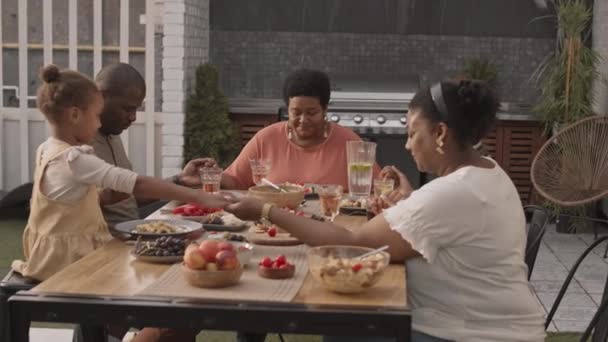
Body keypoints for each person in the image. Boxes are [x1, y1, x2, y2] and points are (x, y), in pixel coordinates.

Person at [226, 80, 546, 342]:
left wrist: (267, 211)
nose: (407, 145)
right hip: (494, 324)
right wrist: (408, 203)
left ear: (441, 134)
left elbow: (355, 246)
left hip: (471, 333)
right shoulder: (487, 170)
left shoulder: (452, 192)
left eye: (411, 133)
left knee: (347, 324)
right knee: (348, 322)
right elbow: (438, 221)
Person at [11, 64, 228, 282]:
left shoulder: (48, 149)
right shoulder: (75, 157)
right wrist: (200, 196)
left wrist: (178, 180)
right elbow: (137, 184)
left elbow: (71, 201)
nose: (97, 123)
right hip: (72, 260)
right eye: (96, 115)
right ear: (76, 114)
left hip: (60, 251)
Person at [92, 63, 215, 229]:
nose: (133, 117)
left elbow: (128, 198)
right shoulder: (78, 145)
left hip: (133, 230)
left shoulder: (112, 135)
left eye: (136, 109)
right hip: (107, 244)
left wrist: (180, 180)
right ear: (100, 97)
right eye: (127, 109)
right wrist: (197, 197)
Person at [221, 68, 379, 190]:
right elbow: (235, 181)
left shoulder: (349, 142)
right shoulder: (266, 139)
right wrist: (205, 177)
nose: (303, 120)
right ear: (287, 109)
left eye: (312, 113)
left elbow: (379, 187)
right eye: (296, 112)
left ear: (325, 110)